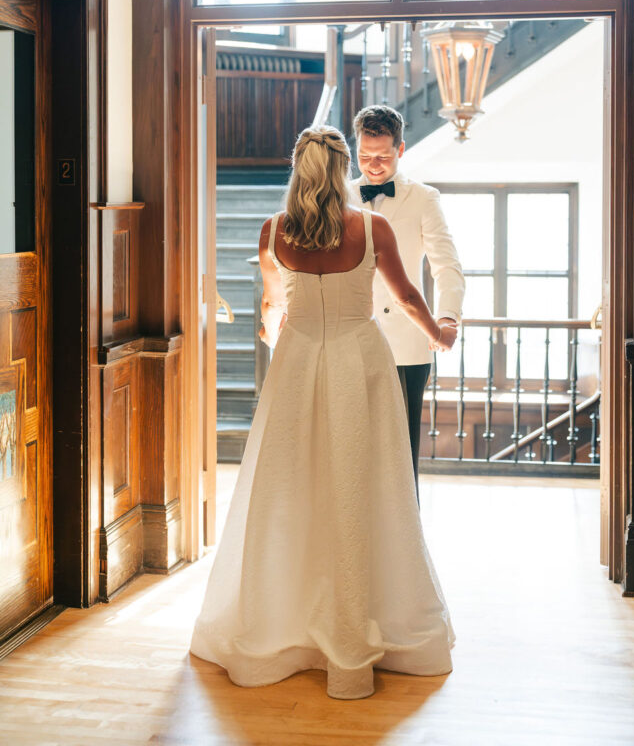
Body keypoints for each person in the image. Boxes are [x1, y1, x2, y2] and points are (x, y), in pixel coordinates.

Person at [190, 125, 454, 701]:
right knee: (367, 484)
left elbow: (271, 304)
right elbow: (407, 295)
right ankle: (361, 616)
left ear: (298, 168)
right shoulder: (371, 226)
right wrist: (439, 334)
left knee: (292, 484)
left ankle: (285, 620)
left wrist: (272, 331)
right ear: (340, 169)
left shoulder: (273, 230)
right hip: (361, 360)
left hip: (299, 360)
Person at [350, 105, 465, 499]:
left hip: (407, 343)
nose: (374, 165)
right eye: (365, 156)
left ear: (401, 149)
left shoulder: (423, 198)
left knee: (401, 451)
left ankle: (403, 538)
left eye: (382, 156)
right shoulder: (339, 196)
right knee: (351, 447)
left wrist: (447, 318)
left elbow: (446, 265)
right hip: (350, 339)